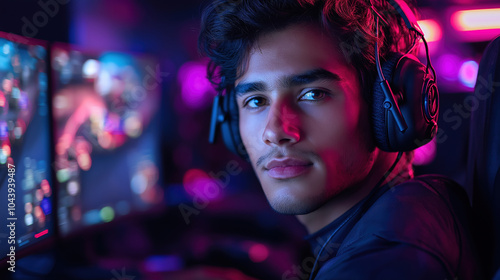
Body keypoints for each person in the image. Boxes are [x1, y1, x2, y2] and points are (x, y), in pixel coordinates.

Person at [199, 0, 481, 279]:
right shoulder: (414, 216)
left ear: (390, 102)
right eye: (256, 100)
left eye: (313, 94)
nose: (275, 132)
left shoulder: (381, 262)